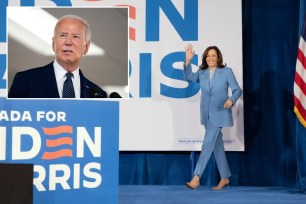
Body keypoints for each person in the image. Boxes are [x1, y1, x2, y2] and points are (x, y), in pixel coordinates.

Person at [184, 44, 242, 190]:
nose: (210, 58)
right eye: (208, 56)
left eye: (213, 55)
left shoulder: (226, 71)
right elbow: (189, 77)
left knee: (207, 143)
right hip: (206, 114)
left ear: (218, 57)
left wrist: (231, 99)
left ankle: (196, 177)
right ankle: (224, 178)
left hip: (220, 113)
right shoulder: (201, 72)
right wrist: (187, 61)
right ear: (205, 57)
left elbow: (237, 90)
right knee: (217, 146)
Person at [8, 14, 107, 98]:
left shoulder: (97, 94)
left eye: (75, 36)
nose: (68, 42)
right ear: (53, 44)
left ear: (86, 47)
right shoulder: (26, 81)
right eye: (63, 35)